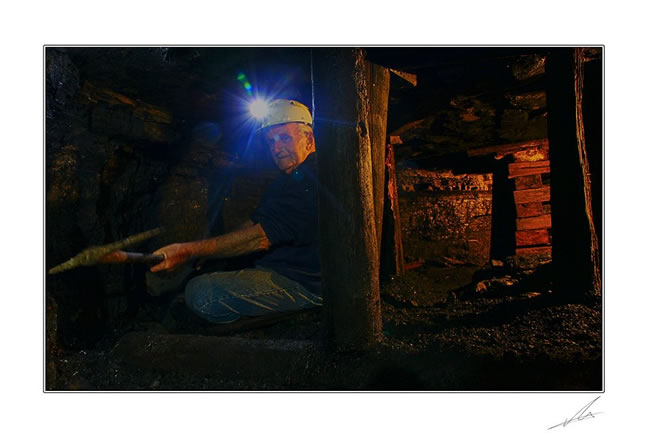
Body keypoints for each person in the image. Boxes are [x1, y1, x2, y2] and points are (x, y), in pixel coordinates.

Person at [150, 99, 322, 324]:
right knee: (216, 265)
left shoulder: (312, 177)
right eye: (270, 142)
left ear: (308, 138)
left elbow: (259, 238)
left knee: (201, 294)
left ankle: (256, 336)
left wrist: (187, 251)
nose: (276, 149)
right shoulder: (288, 179)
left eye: (284, 138)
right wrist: (207, 249)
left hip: (306, 283)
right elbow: (256, 222)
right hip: (286, 266)